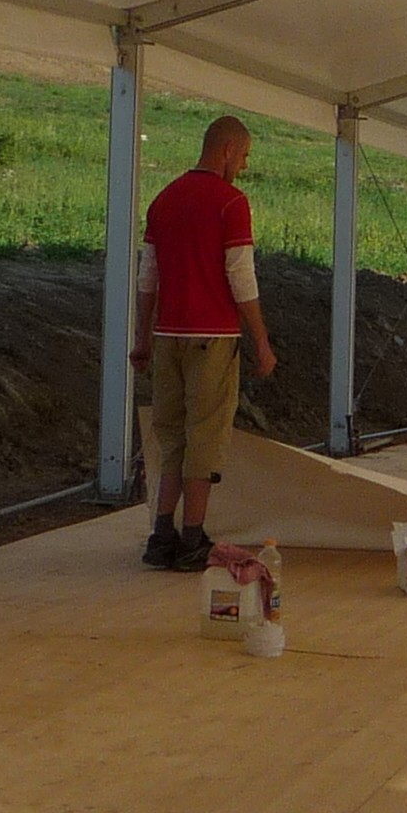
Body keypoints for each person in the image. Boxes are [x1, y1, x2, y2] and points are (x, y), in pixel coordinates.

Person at [132, 114, 280, 570]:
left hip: (167, 336)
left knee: (171, 435)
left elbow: (147, 277)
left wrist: (142, 338)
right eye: (245, 156)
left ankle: (162, 535)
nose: (244, 166)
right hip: (213, 336)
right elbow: (242, 279)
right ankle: (193, 538)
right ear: (228, 150)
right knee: (205, 437)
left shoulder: (163, 200)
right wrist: (262, 341)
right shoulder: (230, 203)